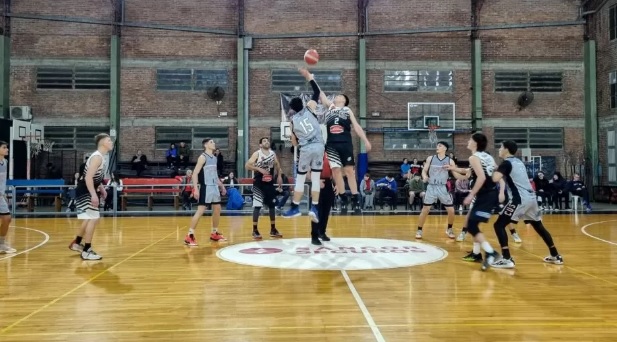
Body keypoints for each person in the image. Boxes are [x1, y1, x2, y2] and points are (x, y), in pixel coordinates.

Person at [490, 140, 564, 268]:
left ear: (506, 149)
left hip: (520, 200)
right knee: (538, 225)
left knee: (499, 225)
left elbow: (495, 178)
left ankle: (507, 258)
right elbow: (508, 171)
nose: (499, 150)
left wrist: (488, 171)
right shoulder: (518, 161)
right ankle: (555, 255)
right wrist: (498, 168)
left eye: (501, 147)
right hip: (531, 198)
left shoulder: (506, 163)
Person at [445, 133, 500, 271]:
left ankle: (490, 252)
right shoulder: (487, 157)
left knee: (471, 225)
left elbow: (481, 177)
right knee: (472, 223)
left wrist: (471, 194)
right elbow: (493, 172)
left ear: (475, 143)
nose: (468, 141)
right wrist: (453, 168)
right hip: (490, 193)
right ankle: (478, 254)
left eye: (470, 139)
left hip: (484, 195)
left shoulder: (474, 157)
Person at [318, 83, 372, 214]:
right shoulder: (330, 107)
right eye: (337, 96)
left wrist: (365, 140)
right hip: (331, 144)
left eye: (340, 96)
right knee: (335, 171)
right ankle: (342, 198)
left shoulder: (347, 111)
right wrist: (311, 79)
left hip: (345, 143)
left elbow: (357, 126)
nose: (337, 97)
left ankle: (355, 198)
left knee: (349, 172)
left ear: (344, 101)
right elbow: (321, 95)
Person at [283, 68, 325, 222]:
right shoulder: (310, 108)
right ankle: (314, 207)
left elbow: (294, 143)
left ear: (292, 109)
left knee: (300, 179)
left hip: (306, 149)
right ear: (303, 103)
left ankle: (295, 207)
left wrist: (293, 138)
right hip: (319, 146)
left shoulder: (293, 122)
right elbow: (316, 92)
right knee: (315, 178)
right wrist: (309, 77)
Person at [68, 133, 114, 260]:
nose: (111, 142)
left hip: (87, 190)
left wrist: (102, 189)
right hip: (86, 191)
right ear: (103, 143)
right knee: (93, 218)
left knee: (88, 218)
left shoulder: (101, 157)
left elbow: (95, 178)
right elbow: (88, 177)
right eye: (109, 140)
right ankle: (87, 250)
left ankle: (77, 243)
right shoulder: (97, 157)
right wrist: (94, 195)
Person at [184, 138, 227, 246]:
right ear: (206, 145)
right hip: (206, 187)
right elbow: (195, 174)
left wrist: (221, 186)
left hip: (214, 187)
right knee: (201, 210)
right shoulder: (202, 157)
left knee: (217, 208)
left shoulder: (215, 158)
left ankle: (214, 233)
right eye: (212, 142)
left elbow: (215, 175)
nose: (214, 143)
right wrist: (195, 188)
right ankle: (189, 235)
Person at [415, 142, 456, 239]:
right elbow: (424, 171)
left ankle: (449, 229)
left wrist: (465, 175)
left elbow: (456, 173)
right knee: (425, 210)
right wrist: (424, 176)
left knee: (451, 210)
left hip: (442, 187)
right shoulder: (430, 158)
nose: (437, 147)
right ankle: (419, 230)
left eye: (440, 146)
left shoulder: (450, 161)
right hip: (431, 186)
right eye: (437, 145)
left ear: (445, 148)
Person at [245, 137, 283, 240]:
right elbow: (247, 165)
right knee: (257, 206)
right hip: (259, 183)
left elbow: (278, 165)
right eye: (264, 141)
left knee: (272, 205)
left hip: (270, 183)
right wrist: (258, 168)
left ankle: (273, 229)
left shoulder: (272, 154)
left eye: (268, 141)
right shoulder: (257, 153)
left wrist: (279, 176)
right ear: (260, 145)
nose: (267, 142)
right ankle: (255, 230)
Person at [310, 153, 335, 245]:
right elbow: (307, 171)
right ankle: (314, 236)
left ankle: (322, 232)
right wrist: (316, 180)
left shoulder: (330, 154)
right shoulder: (312, 153)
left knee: (326, 210)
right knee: (316, 211)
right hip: (317, 181)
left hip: (329, 183)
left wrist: (336, 184)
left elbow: (336, 171)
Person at [0, 141, 15, 254]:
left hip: (0, 196)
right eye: (4, 147)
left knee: (7, 219)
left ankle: (1, 244)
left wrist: (3, 193)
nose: (7, 149)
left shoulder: (5, 162)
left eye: (7, 147)